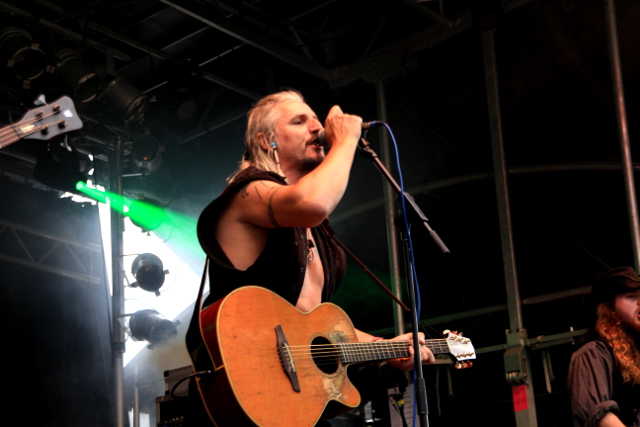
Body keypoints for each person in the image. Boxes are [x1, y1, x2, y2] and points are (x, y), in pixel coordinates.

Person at [194, 90, 434, 424]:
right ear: (266, 141)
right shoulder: (249, 192)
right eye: (298, 121)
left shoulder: (315, 229)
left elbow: (312, 325)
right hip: (247, 387)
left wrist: (387, 346)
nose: (316, 128)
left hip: (295, 398)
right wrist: (347, 140)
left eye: (316, 121)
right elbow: (314, 202)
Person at [568, 266, 640, 427]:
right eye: (631, 296)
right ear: (608, 307)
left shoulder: (635, 352)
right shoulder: (593, 352)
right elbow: (599, 415)